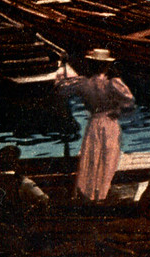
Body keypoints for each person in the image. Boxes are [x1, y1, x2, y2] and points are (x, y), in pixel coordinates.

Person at [56, 47, 136, 201]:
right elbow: (129, 102)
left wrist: (62, 68)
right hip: (109, 122)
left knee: (92, 157)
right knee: (108, 158)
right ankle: (102, 194)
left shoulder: (84, 83)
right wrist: (118, 111)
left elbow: (62, 88)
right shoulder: (113, 83)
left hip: (94, 122)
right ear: (105, 65)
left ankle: (89, 193)